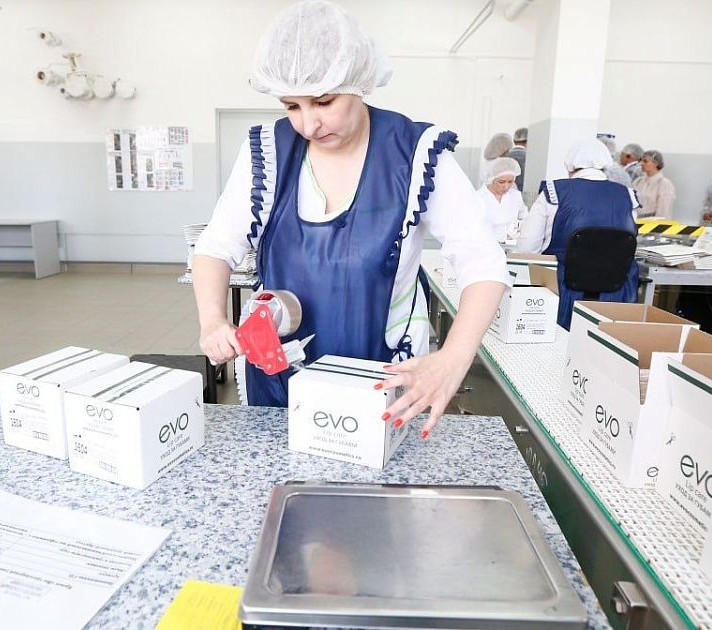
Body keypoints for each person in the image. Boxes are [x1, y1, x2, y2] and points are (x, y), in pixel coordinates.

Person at [193, 1, 508, 437]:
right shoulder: (268, 151)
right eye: (291, 106)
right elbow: (215, 247)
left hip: (380, 373)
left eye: (323, 101)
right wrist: (212, 319)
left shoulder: (415, 153)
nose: (308, 124)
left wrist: (453, 358)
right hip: (278, 371)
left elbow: (483, 263)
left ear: (359, 82)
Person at [515, 139, 640, 329]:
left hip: (561, 296)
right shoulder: (627, 196)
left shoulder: (554, 192)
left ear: (570, 165)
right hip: (614, 298)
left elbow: (527, 249)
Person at [478, 157, 528, 242]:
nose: (506, 186)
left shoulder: (515, 196)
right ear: (491, 179)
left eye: (510, 182)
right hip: (486, 245)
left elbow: (525, 217)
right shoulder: (479, 197)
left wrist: (519, 228)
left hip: (511, 245)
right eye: (501, 182)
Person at [634, 150, 676, 219]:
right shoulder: (638, 182)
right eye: (641, 161)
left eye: (645, 161)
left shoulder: (665, 185)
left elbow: (663, 213)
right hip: (635, 221)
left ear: (656, 163)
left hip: (653, 223)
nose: (641, 163)